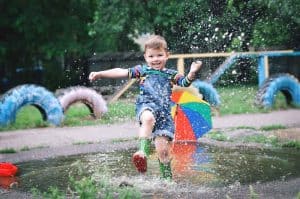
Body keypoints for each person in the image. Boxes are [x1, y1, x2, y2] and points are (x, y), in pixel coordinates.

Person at [89, 35, 202, 180]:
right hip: (146, 106)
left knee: (163, 153)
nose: (155, 59)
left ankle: (167, 182)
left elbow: (185, 82)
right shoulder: (142, 71)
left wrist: (192, 72)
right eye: (151, 56)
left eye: (160, 55)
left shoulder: (171, 75)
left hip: (164, 115)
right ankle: (142, 152)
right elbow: (121, 71)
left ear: (167, 55)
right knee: (148, 118)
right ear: (145, 57)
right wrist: (100, 74)